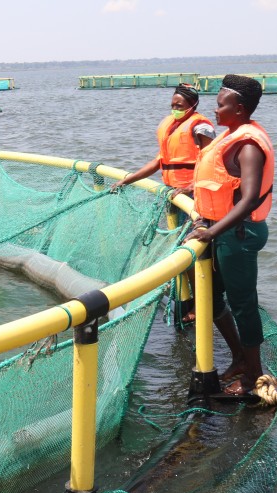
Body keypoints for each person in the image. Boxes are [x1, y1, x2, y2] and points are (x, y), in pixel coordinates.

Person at [182, 74, 275, 397]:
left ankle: (253, 379)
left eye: (221, 104)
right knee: (210, 295)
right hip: (221, 230)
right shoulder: (230, 135)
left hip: (238, 233)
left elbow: (249, 198)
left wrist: (211, 232)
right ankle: (239, 358)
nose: (215, 110)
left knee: (244, 305)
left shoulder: (248, 144)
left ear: (239, 107)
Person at [114, 82, 215, 324]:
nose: (175, 110)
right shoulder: (171, 126)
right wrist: (129, 179)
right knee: (181, 248)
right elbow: (161, 160)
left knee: (192, 250)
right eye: (172, 105)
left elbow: (213, 158)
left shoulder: (201, 125)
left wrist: (192, 185)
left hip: (193, 197)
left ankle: (202, 304)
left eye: (179, 106)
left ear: (193, 105)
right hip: (173, 195)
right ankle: (188, 298)